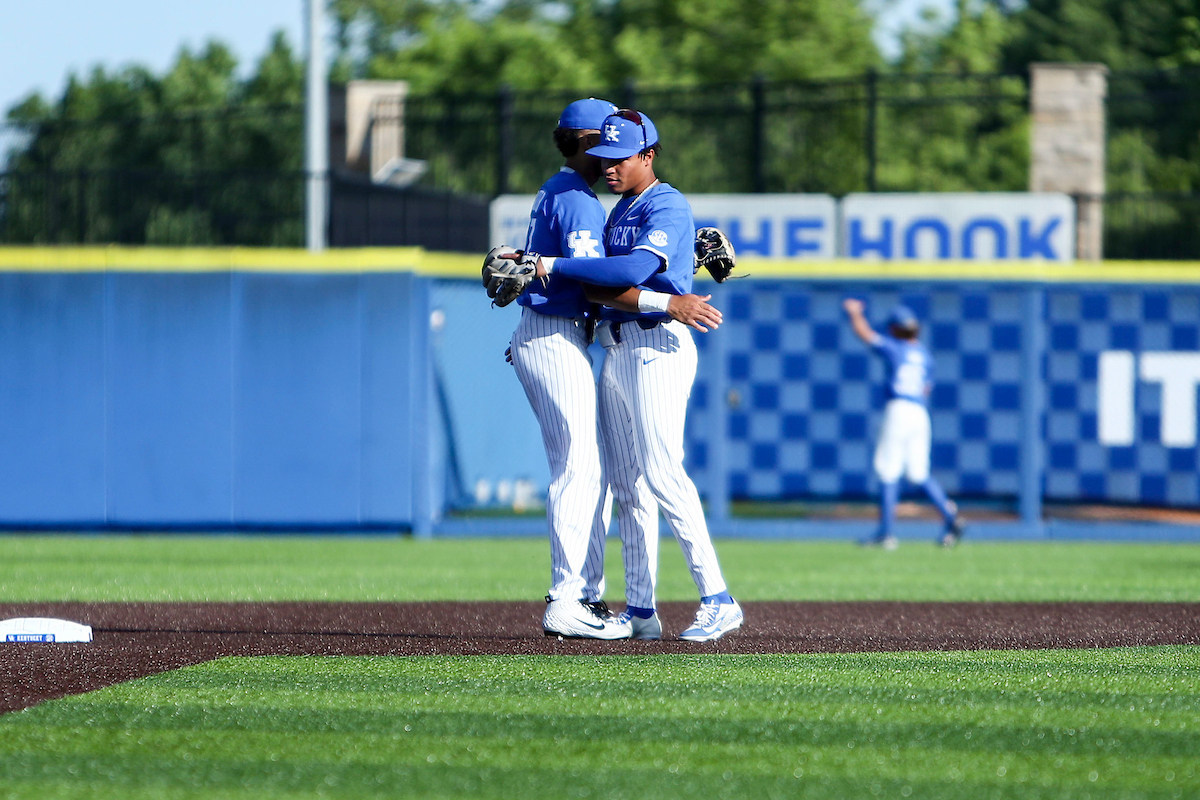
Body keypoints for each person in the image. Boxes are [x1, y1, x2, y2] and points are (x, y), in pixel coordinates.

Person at [523, 109, 743, 642]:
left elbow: (624, 273)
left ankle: (718, 598)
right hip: (615, 347)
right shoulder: (619, 208)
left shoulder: (667, 202)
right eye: (603, 157)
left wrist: (548, 265)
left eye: (621, 157)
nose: (610, 166)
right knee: (628, 486)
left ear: (648, 154)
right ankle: (641, 609)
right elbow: (600, 289)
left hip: (657, 346)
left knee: (664, 471)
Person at [841, 299, 966, 549]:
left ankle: (886, 534)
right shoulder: (925, 356)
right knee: (918, 473)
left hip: (899, 409)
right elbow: (927, 388)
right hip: (920, 412)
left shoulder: (896, 348)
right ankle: (951, 517)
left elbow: (865, 334)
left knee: (888, 469)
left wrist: (855, 314)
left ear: (896, 329)